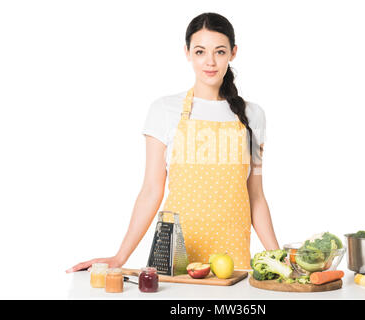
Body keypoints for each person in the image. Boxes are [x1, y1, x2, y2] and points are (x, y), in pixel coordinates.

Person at [66, 12, 279, 273]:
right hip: (173, 259)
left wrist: (278, 260)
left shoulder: (253, 115)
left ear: (233, 53)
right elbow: (151, 190)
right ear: (187, 52)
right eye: (200, 51)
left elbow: (255, 197)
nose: (210, 62)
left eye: (220, 52)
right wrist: (119, 257)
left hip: (232, 261)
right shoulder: (164, 110)